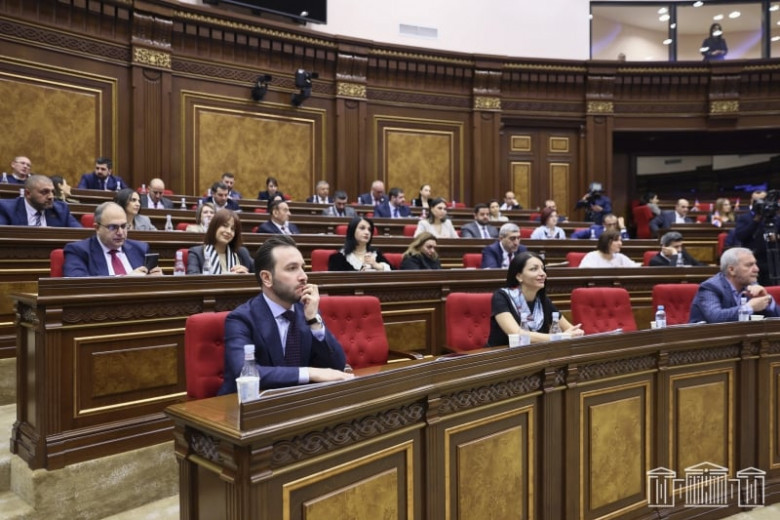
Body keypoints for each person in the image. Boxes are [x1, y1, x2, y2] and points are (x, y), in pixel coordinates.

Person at [216, 235, 352, 394]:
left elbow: (336, 366)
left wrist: (314, 321)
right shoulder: (241, 319)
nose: (304, 277)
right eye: (292, 268)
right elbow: (245, 372)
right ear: (267, 278)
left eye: (303, 267)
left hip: (296, 403)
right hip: (246, 404)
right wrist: (309, 373)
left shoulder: (307, 311)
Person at [487, 252, 584, 347]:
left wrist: (576, 333)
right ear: (519, 276)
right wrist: (561, 337)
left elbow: (569, 329)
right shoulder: (501, 297)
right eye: (534, 269)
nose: (542, 274)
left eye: (542, 268)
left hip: (536, 353)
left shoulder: (542, 300)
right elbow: (517, 334)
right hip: (503, 355)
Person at [63, 202, 162, 277]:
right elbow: (78, 285)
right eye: (112, 227)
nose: (120, 232)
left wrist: (158, 278)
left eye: (123, 226)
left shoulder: (141, 249)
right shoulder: (78, 251)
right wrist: (125, 279)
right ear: (97, 228)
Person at [689, 247, 778, 323]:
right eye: (749, 265)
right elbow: (716, 317)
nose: (756, 269)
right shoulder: (710, 287)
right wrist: (750, 307)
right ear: (731, 270)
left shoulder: (752, 286)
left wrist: (767, 300)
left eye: (755, 264)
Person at [734, 190, 780, 286]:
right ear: (751, 201)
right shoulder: (744, 218)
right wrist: (755, 220)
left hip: (774, 258)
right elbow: (740, 236)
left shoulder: (775, 217)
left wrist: (777, 237)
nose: (760, 203)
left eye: (763, 200)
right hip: (752, 258)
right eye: (757, 201)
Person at [187, 209, 254, 274]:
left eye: (232, 229)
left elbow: (258, 272)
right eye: (225, 226)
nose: (229, 231)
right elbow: (193, 279)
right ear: (214, 227)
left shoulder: (242, 252)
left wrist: (246, 275)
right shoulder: (196, 253)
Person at [0, 174, 81, 227]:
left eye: (52, 192)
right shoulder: (7, 208)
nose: (51, 196)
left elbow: (79, 234)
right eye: (44, 192)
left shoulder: (61, 209)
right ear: (28, 193)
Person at [328, 217, 392, 271]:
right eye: (362, 228)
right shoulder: (338, 258)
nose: (367, 232)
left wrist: (377, 265)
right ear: (352, 231)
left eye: (369, 230)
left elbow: (393, 272)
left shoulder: (376, 254)